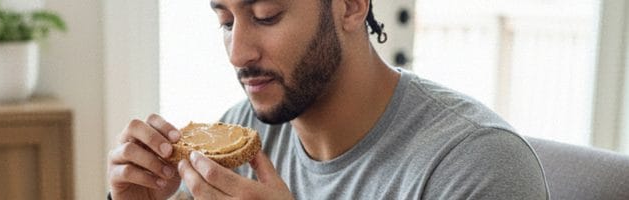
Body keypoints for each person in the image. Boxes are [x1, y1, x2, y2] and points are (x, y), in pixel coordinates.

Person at [107, 0, 549, 199]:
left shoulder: (477, 168)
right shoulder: (244, 130)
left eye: (267, 16)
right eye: (226, 21)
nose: (238, 53)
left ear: (352, 6)